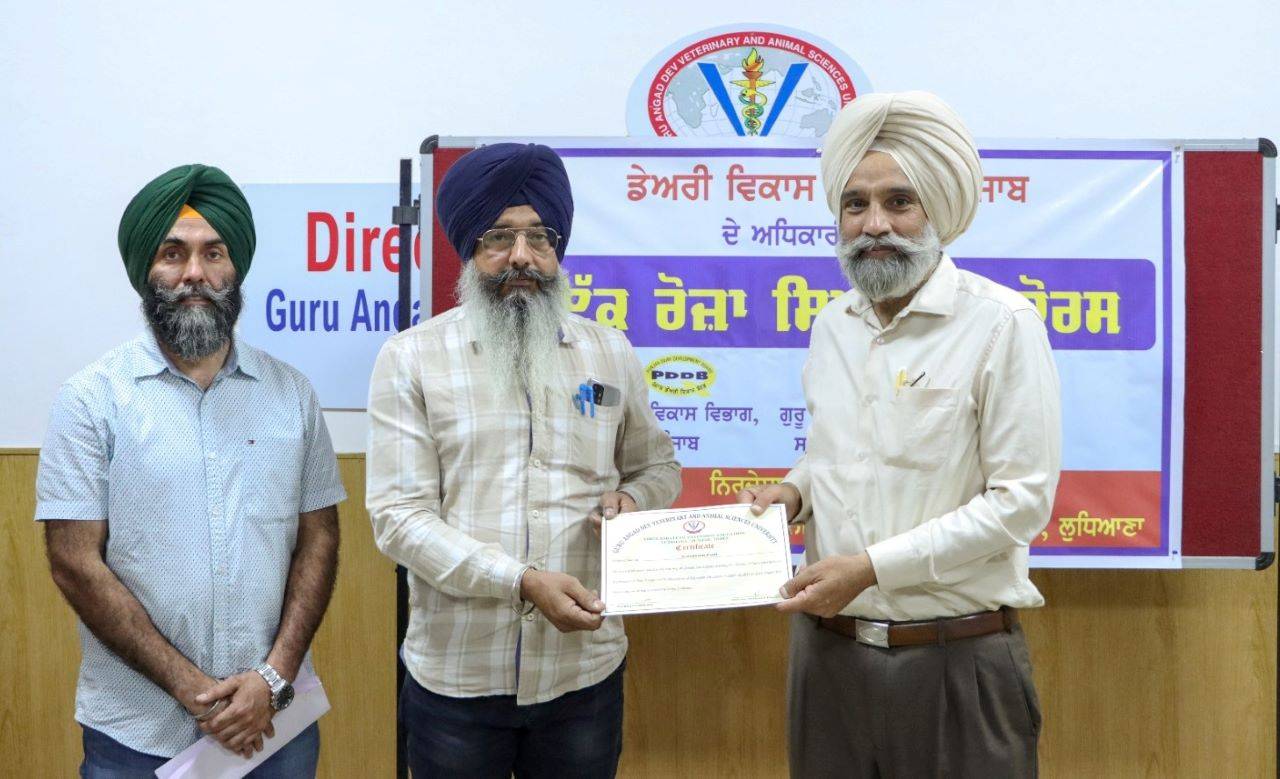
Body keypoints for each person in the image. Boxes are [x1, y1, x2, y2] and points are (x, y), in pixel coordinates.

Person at [740, 92, 1062, 777]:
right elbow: (840, 450)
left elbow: (1020, 501)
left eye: (898, 201)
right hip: (826, 657)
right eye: (854, 205)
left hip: (955, 659)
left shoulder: (1001, 324)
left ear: (936, 213)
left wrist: (871, 568)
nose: (873, 224)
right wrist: (794, 493)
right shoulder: (832, 325)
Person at [366, 142, 681, 778]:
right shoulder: (411, 359)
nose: (522, 257)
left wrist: (633, 501)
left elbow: (658, 469)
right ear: (467, 249)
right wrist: (523, 582)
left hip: (582, 674)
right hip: (458, 676)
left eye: (540, 237)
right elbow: (398, 518)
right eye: (498, 237)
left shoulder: (608, 352)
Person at [36, 164, 345, 777]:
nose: (195, 274)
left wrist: (273, 677)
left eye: (214, 253)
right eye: (173, 254)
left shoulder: (292, 395)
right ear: (145, 272)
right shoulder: (92, 399)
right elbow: (74, 562)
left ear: (237, 269)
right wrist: (194, 691)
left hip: (275, 723)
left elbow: (320, 538)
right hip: (135, 731)